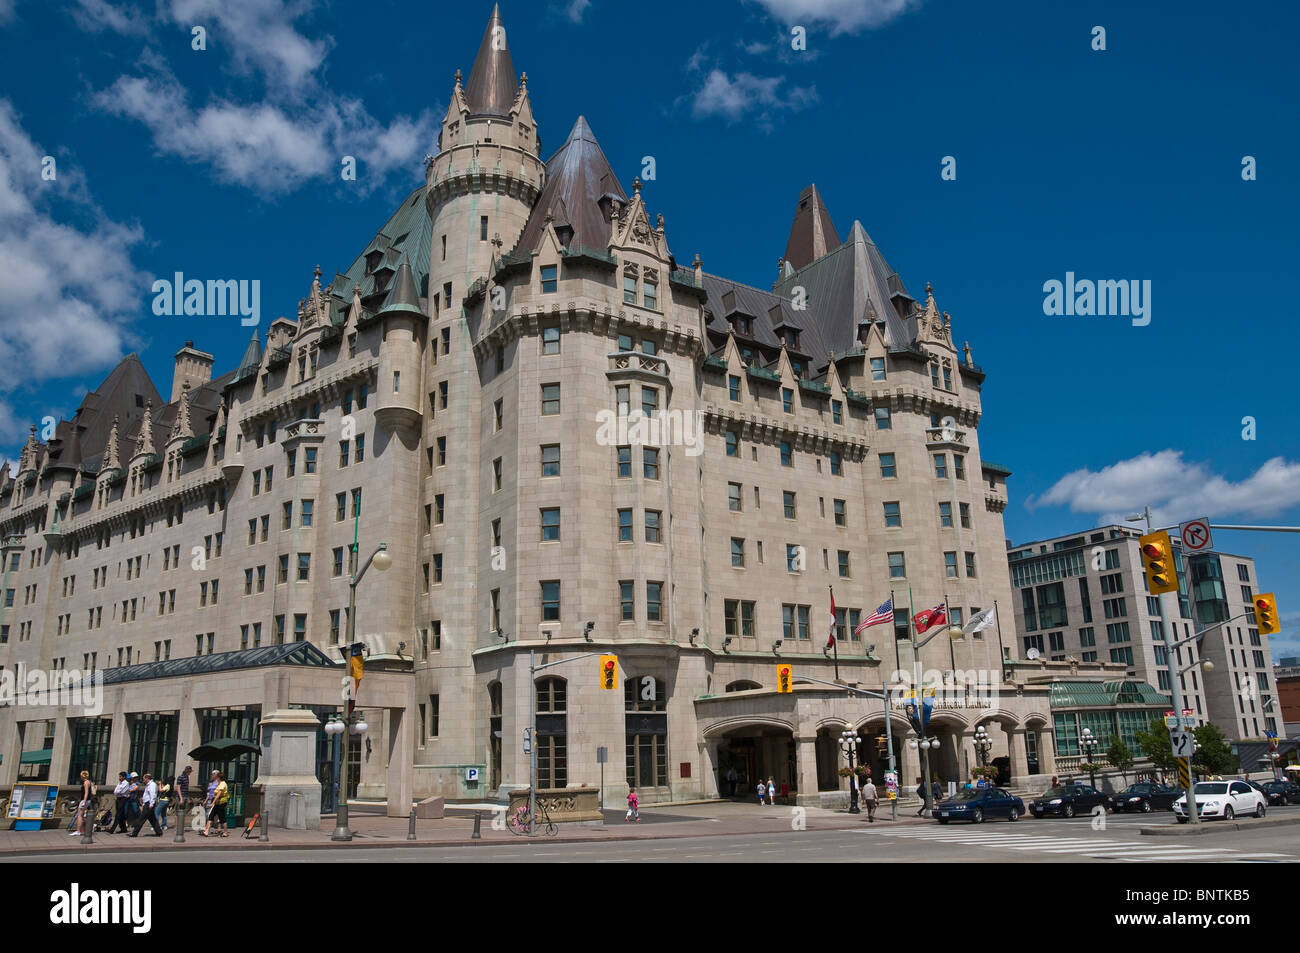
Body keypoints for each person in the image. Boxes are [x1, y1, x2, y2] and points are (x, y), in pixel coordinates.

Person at [201, 771, 229, 837]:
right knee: (211, 816)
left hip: (221, 803)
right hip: (216, 803)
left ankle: (225, 832)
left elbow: (218, 795)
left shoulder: (222, 784)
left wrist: (212, 803)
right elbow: (213, 793)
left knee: (222, 818)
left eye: (217, 777)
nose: (216, 778)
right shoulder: (219, 784)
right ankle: (206, 831)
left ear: (219, 778)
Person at [71, 770, 94, 836]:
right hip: (88, 800)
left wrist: (84, 801)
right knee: (83, 815)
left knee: (80, 815)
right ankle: (88, 828)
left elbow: (86, 793)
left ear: (82, 776)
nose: (80, 777)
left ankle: (78, 830)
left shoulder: (85, 783)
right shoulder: (89, 782)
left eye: (81, 776)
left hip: (85, 800)